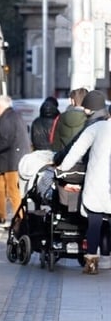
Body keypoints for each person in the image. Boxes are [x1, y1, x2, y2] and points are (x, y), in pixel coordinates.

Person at [56, 117, 111, 274]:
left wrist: (62, 168)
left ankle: (92, 262)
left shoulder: (98, 127)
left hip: (97, 183)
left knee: (95, 222)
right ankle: (107, 257)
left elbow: (77, 150)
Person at [0, 94, 30, 225]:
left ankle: (19, 218)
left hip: (11, 161)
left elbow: (5, 140)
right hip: (9, 160)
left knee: (12, 191)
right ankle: (0, 215)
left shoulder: (7, 118)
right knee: (0, 187)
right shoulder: (14, 115)